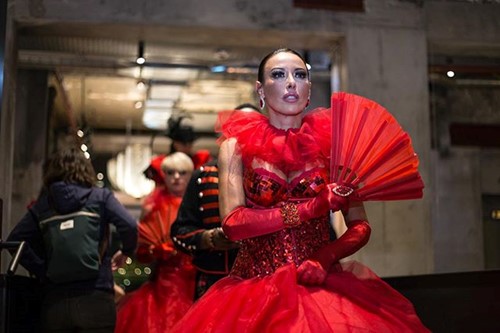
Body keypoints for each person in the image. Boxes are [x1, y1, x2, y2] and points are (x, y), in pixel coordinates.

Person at [172, 48, 429, 332]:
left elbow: (360, 226)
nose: (291, 82)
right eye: (278, 75)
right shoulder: (235, 147)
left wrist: (325, 257)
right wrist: (312, 208)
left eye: (300, 75)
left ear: (309, 88)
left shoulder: (333, 146)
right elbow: (233, 225)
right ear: (261, 89)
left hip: (322, 285)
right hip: (253, 288)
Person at [6, 146, 138, 332]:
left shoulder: (43, 205)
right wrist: (126, 251)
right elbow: (130, 225)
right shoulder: (100, 197)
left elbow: (15, 240)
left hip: (56, 302)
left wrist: (44, 270)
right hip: (96, 296)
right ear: (86, 170)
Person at [170, 103, 259, 300]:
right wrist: (209, 238)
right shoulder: (203, 176)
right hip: (214, 283)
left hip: (262, 281)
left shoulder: (274, 175)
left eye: (252, 125)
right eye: (239, 124)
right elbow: (179, 233)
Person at [115, 152, 196, 333]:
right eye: (170, 172)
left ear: (191, 174)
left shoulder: (197, 204)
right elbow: (142, 248)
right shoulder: (153, 206)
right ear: (163, 175)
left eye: (182, 172)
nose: (176, 177)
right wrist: (155, 251)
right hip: (161, 284)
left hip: (194, 281)